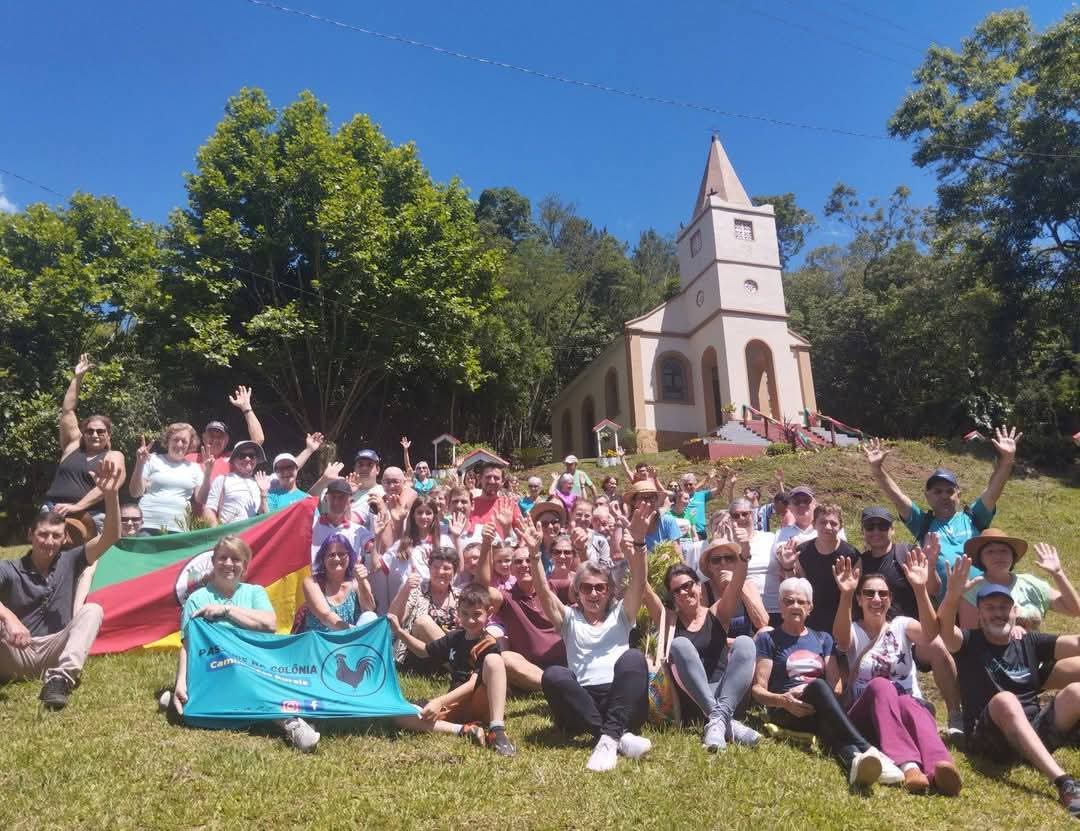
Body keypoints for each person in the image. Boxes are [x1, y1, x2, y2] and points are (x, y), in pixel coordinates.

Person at [939, 556, 1080, 819]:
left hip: (1033, 730)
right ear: (979, 614)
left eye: (1004, 607)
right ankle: (1064, 783)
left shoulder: (1031, 641)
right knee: (1005, 700)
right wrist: (952, 595)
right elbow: (945, 630)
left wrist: (1059, 574)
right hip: (990, 738)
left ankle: (1036, 752)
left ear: (1015, 612)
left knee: (1076, 691)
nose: (998, 612)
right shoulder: (969, 642)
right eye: (990, 607)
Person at [170, 535, 320, 752]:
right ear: (213, 562)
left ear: (244, 565)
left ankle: (289, 721)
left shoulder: (254, 592)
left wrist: (226, 611)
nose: (229, 564)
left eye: (235, 559)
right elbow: (188, 646)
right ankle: (290, 721)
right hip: (215, 671)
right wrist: (180, 684)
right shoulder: (197, 599)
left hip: (254, 665)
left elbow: (269, 624)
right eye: (223, 558)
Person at [532, 505, 651, 772]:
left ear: (609, 592)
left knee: (633, 657)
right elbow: (543, 593)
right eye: (586, 588)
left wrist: (640, 543)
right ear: (577, 591)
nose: (594, 593)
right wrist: (533, 555)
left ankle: (607, 738)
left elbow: (639, 584)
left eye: (600, 588)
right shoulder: (568, 619)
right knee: (553, 675)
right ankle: (616, 737)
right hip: (581, 702)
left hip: (623, 697)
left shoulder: (622, 614)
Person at [832, 552, 962, 795]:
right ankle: (909, 765)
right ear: (860, 599)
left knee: (911, 702)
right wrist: (846, 593)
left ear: (890, 600)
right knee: (881, 685)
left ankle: (941, 769)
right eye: (869, 593)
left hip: (904, 711)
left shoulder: (901, 625)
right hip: (865, 718)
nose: (876, 598)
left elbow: (929, 635)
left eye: (883, 594)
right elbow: (840, 639)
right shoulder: (853, 630)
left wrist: (920, 589)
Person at [0, 459, 122, 709]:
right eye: (43, 534)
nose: (49, 541)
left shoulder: (73, 559)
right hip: (14, 651)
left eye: (56, 535)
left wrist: (111, 495)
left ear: (65, 538)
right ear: (30, 535)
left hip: (54, 652)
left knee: (92, 610)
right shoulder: (9, 568)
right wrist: (9, 617)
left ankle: (59, 680)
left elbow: (111, 536)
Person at [753, 577, 895, 786]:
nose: (795, 606)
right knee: (819, 686)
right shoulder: (769, 639)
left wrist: (815, 695)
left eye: (802, 602)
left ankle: (856, 762)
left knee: (824, 713)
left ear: (810, 608)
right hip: (787, 710)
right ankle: (867, 748)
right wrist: (784, 700)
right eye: (789, 601)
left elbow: (836, 686)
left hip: (818, 707)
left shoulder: (823, 639)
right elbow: (758, 689)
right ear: (780, 606)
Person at [863, 428, 1021, 584]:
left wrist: (1006, 461)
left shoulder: (974, 517)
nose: (944, 496)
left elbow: (993, 491)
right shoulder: (922, 523)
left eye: (950, 491)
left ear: (958, 495)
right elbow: (898, 498)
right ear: (927, 496)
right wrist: (877, 470)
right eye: (937, 491)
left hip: (979, 602)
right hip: (943, 606)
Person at [859, 506, 962, 735]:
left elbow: (934, 588)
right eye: (870, 526)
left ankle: (956, 716)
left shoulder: (907, 553)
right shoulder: (860, 563)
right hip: (877, 638)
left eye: (883, 526)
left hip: (911, 634)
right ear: (863, 531)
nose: (876, 531)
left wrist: (931, 565)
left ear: (892, 530)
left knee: (937, 645)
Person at [389, 583, 516, 756]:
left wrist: (439, 701)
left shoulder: (488, 643)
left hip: (480, 701)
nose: (470, 620)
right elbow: (424, 651)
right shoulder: (454, 637)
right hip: (455, 706)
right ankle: (463, 730)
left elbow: (472, 685)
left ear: (489, 613)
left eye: (477, 614)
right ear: (458, 611)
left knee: (494, 661)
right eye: (465, 613)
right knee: (398, 714)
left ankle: (497, 729)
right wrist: (399, 631)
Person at [664, 551, 761, 752]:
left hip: (730, 694)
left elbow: (735, 588)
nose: (683, 592)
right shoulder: (669, 621)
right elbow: (643, 592)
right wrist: (636, 548)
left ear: (699, 586)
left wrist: (742, 556)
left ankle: (718, 719)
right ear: (672, 597)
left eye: (687, 585)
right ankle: (725, 721)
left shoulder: (717, 612)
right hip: (696, 700)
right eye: (676, 591)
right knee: (680, 645)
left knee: (745, 642)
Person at [475, 525, 568, 692]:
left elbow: (587, 586)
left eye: (528, 560)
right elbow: (481, 590)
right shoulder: (507, 598)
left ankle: (560, 684)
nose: (524, 565)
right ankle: (556, 686)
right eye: (518, 561)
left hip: (567, 661)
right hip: (531, 670)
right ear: (511, 569)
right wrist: (485, 546)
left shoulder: (554, 587)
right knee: (505, 658)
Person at [42, 354, 127, 531]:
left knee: (89, 559)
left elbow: (110, 486)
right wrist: (78, 377)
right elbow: (68, 410)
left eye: (100, 431)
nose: (95, 434)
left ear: (108, 436)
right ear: (83, 434)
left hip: (91, 516)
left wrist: (78, 506)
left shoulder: (113, 455)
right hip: (52, 509)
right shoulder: (72, 446)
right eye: (89, 431)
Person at [959, 530, 1080, 632]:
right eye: (990, 551)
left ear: (1013, 556)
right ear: (981, 559)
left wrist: (1058, 574)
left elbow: (1075, 610)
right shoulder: (973, 589)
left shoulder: (1030, 583)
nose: (998, 556)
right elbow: (970, 639)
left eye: (1004, 551)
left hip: (1037, 654)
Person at [767, 485, 846, 621]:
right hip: (800, 599)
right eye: (797, 502)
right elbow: (782, 556)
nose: (802, 504)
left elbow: (840, 550)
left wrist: (798, 545)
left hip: (834, 593)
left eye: (806, 501)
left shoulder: (831, 524)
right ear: (790, 507)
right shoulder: (782, 533)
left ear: (814, 503)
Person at [790, 504, 861, 632]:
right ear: (814, 524)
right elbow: (799, 586)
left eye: (833, 523)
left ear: (841, 527)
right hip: (810, 618)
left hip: (841, 616)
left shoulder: (852, 555)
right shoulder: (802, 552)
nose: (828, 527)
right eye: (823, 522)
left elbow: (856, 593)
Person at [388, 547, 461, 666]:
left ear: (455, 571)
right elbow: (394, 618)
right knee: (423, 622)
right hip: (419, 653)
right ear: (429, 568)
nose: (440, 572)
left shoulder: (460, 596)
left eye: (447, 568)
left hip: (449, 652)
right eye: (436, 567)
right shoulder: (416, 590)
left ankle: (457, 666)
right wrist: (405, 589)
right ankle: (458, 667)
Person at [130, 423, 208, 533]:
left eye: (184, 441)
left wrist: (208, 472)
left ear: (190, 445)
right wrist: (139, 464)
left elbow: (202, 499)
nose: (179, 444)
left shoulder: (195, 468)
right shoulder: (151, 459)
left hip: (178, 529)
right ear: (168, 441)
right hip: (147, 524)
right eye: (175, 439)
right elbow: (135, 493)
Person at [185, 385, 267, 484]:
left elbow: (258, 440)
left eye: (220, 437)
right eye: (211, 436)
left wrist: (247, 408)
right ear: (203, 437)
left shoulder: (235, 458)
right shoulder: (189, 459)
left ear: (227, 440)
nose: (215, 440)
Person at [699, 522, 769, 637]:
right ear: (709, 566)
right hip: (719, 647)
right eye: (716, 560)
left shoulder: (748, 585)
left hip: (749, 645)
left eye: (729, 558)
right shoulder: (703, 590)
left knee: (767, 631)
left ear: (736, 562)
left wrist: (737, 586)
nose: (723, 563)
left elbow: (763, 622)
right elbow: (703, 631)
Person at [297, 534, 377, 632]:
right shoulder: (312, 582)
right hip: (321, 642)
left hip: (352, 640)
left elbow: (369, 608)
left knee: (370, 616)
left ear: (349, 557)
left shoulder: (356, 582)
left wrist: (362, 581)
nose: (337, 559)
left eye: (341, 554)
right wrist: (355, 633)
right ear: (323, 559)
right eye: (331, 555)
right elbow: (326, 616)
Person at [202, 440, 269, 526]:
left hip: (255, 535)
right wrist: (218, 535)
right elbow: (209, 509)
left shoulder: (261, 482)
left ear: (256, 459)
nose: (247, 459)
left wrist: (263, 494)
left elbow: (265, 517)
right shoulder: (222, 480)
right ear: (233, 460)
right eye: (242, 456)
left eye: (251, 456)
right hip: (230, 536)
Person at [266, 432, 325, 511]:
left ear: (297, 469)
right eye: (281, 469)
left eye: (290, 467)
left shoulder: (308, 498)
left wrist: (309, 449)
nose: (286, 472)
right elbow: (269, 520)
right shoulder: (270, 497)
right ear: (275, 472)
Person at [623, 480, 681, 556]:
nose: (648, 501)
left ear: (657, 500)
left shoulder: (668, 522)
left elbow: (678, 555)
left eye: (652, 497)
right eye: (642, 497)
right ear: (634, 502)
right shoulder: (628, 527)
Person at [469, 463, 521, 538]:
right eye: (488, 477)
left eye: (496, 478)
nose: (492, 481)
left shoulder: (510, 505)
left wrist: (508, 528)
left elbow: (522, 538)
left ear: (502, 481)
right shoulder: (469, 505)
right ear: (480, 478)